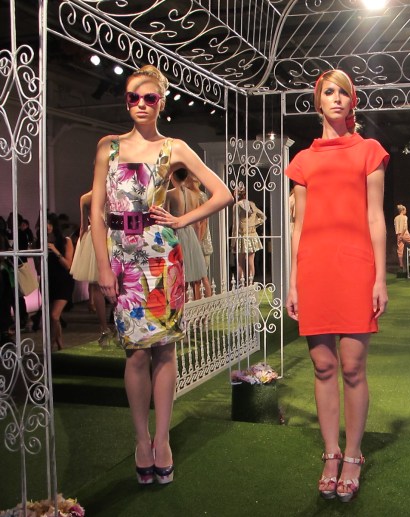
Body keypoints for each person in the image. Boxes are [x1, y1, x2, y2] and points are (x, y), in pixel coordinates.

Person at [89, 64, 232, 486]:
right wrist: (103, 265)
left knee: (165, 350)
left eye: (149, 97)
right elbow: (97, 212)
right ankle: (141, 440)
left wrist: (182, 220)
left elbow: (222, 194)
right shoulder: (108, 147)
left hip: (160, 255)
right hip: (123, 258)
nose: (140, 104)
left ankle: (163, 438)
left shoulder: (174, 148)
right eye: (133, 96)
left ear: (161, 103)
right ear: (126, 101)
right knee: (135, 353)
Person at [285, 69, 388, 503]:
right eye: (329, 92)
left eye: (344, 92)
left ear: (353, 101)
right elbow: (298, 226)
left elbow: (376, 218)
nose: (337, 98)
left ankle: (353, 454)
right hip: (314, 269)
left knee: (352, 366)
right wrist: (293, 281)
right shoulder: (303, 161)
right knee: (323, 366)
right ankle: (331, 453)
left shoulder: (369, 151)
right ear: (318, 101)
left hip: (356, 268)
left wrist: (380, 276)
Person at [70, 191, 111, 346]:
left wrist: (81, 249)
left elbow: (82, 228)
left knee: (96, 288)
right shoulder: (112, 192)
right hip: (111, 237)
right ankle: (121, 326)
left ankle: (104, 329)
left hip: (94, 238)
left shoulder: (85, 198)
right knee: (120, 284)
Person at [166, 168, 208, 300]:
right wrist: (197, 241)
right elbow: (197, 223)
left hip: (177, 233)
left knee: (180, 274)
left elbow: (165, 220)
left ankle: (182, 305)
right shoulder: (195, 195)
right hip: (191, 234)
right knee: (194, 276)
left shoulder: (169, 194)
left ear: (172, 176)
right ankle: (198, 308)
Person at [41, 213, 75, 351]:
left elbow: (68, 265)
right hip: (48, 280)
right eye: (45, 223)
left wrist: (55, 250)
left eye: (50, 223)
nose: (48, 226)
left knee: (54, 315)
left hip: (63, 281)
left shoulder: (66, 241)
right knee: (51, 317)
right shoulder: (41, 242)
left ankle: (56, 344)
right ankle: (58, 344)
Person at [232, 186, 266, 284]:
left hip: (242, 235)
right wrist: (254, 224)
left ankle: (241, 284)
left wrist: (233, 241)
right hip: (252, 235)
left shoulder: (237, 206)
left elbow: (235, 224)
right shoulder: (252, 204)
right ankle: (250, 283)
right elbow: (263, 217)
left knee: (240, 262)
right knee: (251, 261)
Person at [394, 204, 410, 271]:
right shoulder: (405, 217)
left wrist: (399, 236)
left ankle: (401, 265)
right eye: (405, 210)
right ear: (402, 210)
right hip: (404, 234)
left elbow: (396, 227)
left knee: (400, 250)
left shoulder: (396, 218)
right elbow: (405, 227)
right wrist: (402, 235)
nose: (406, 211)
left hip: (398, 235)